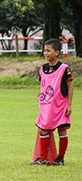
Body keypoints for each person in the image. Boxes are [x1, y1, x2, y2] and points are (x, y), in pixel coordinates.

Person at [31, 38, 73, 166]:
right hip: (46, 106)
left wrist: (69, 105)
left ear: (57, 52)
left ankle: (60, 158)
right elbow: (43, 85)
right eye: (44, 51)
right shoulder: (43, 69)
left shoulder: (64, 69)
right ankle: (43, 158)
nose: (45, 53)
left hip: (60, 106)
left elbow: (70, 87)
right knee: (43, 130)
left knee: (62, 131)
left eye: (48, 51)